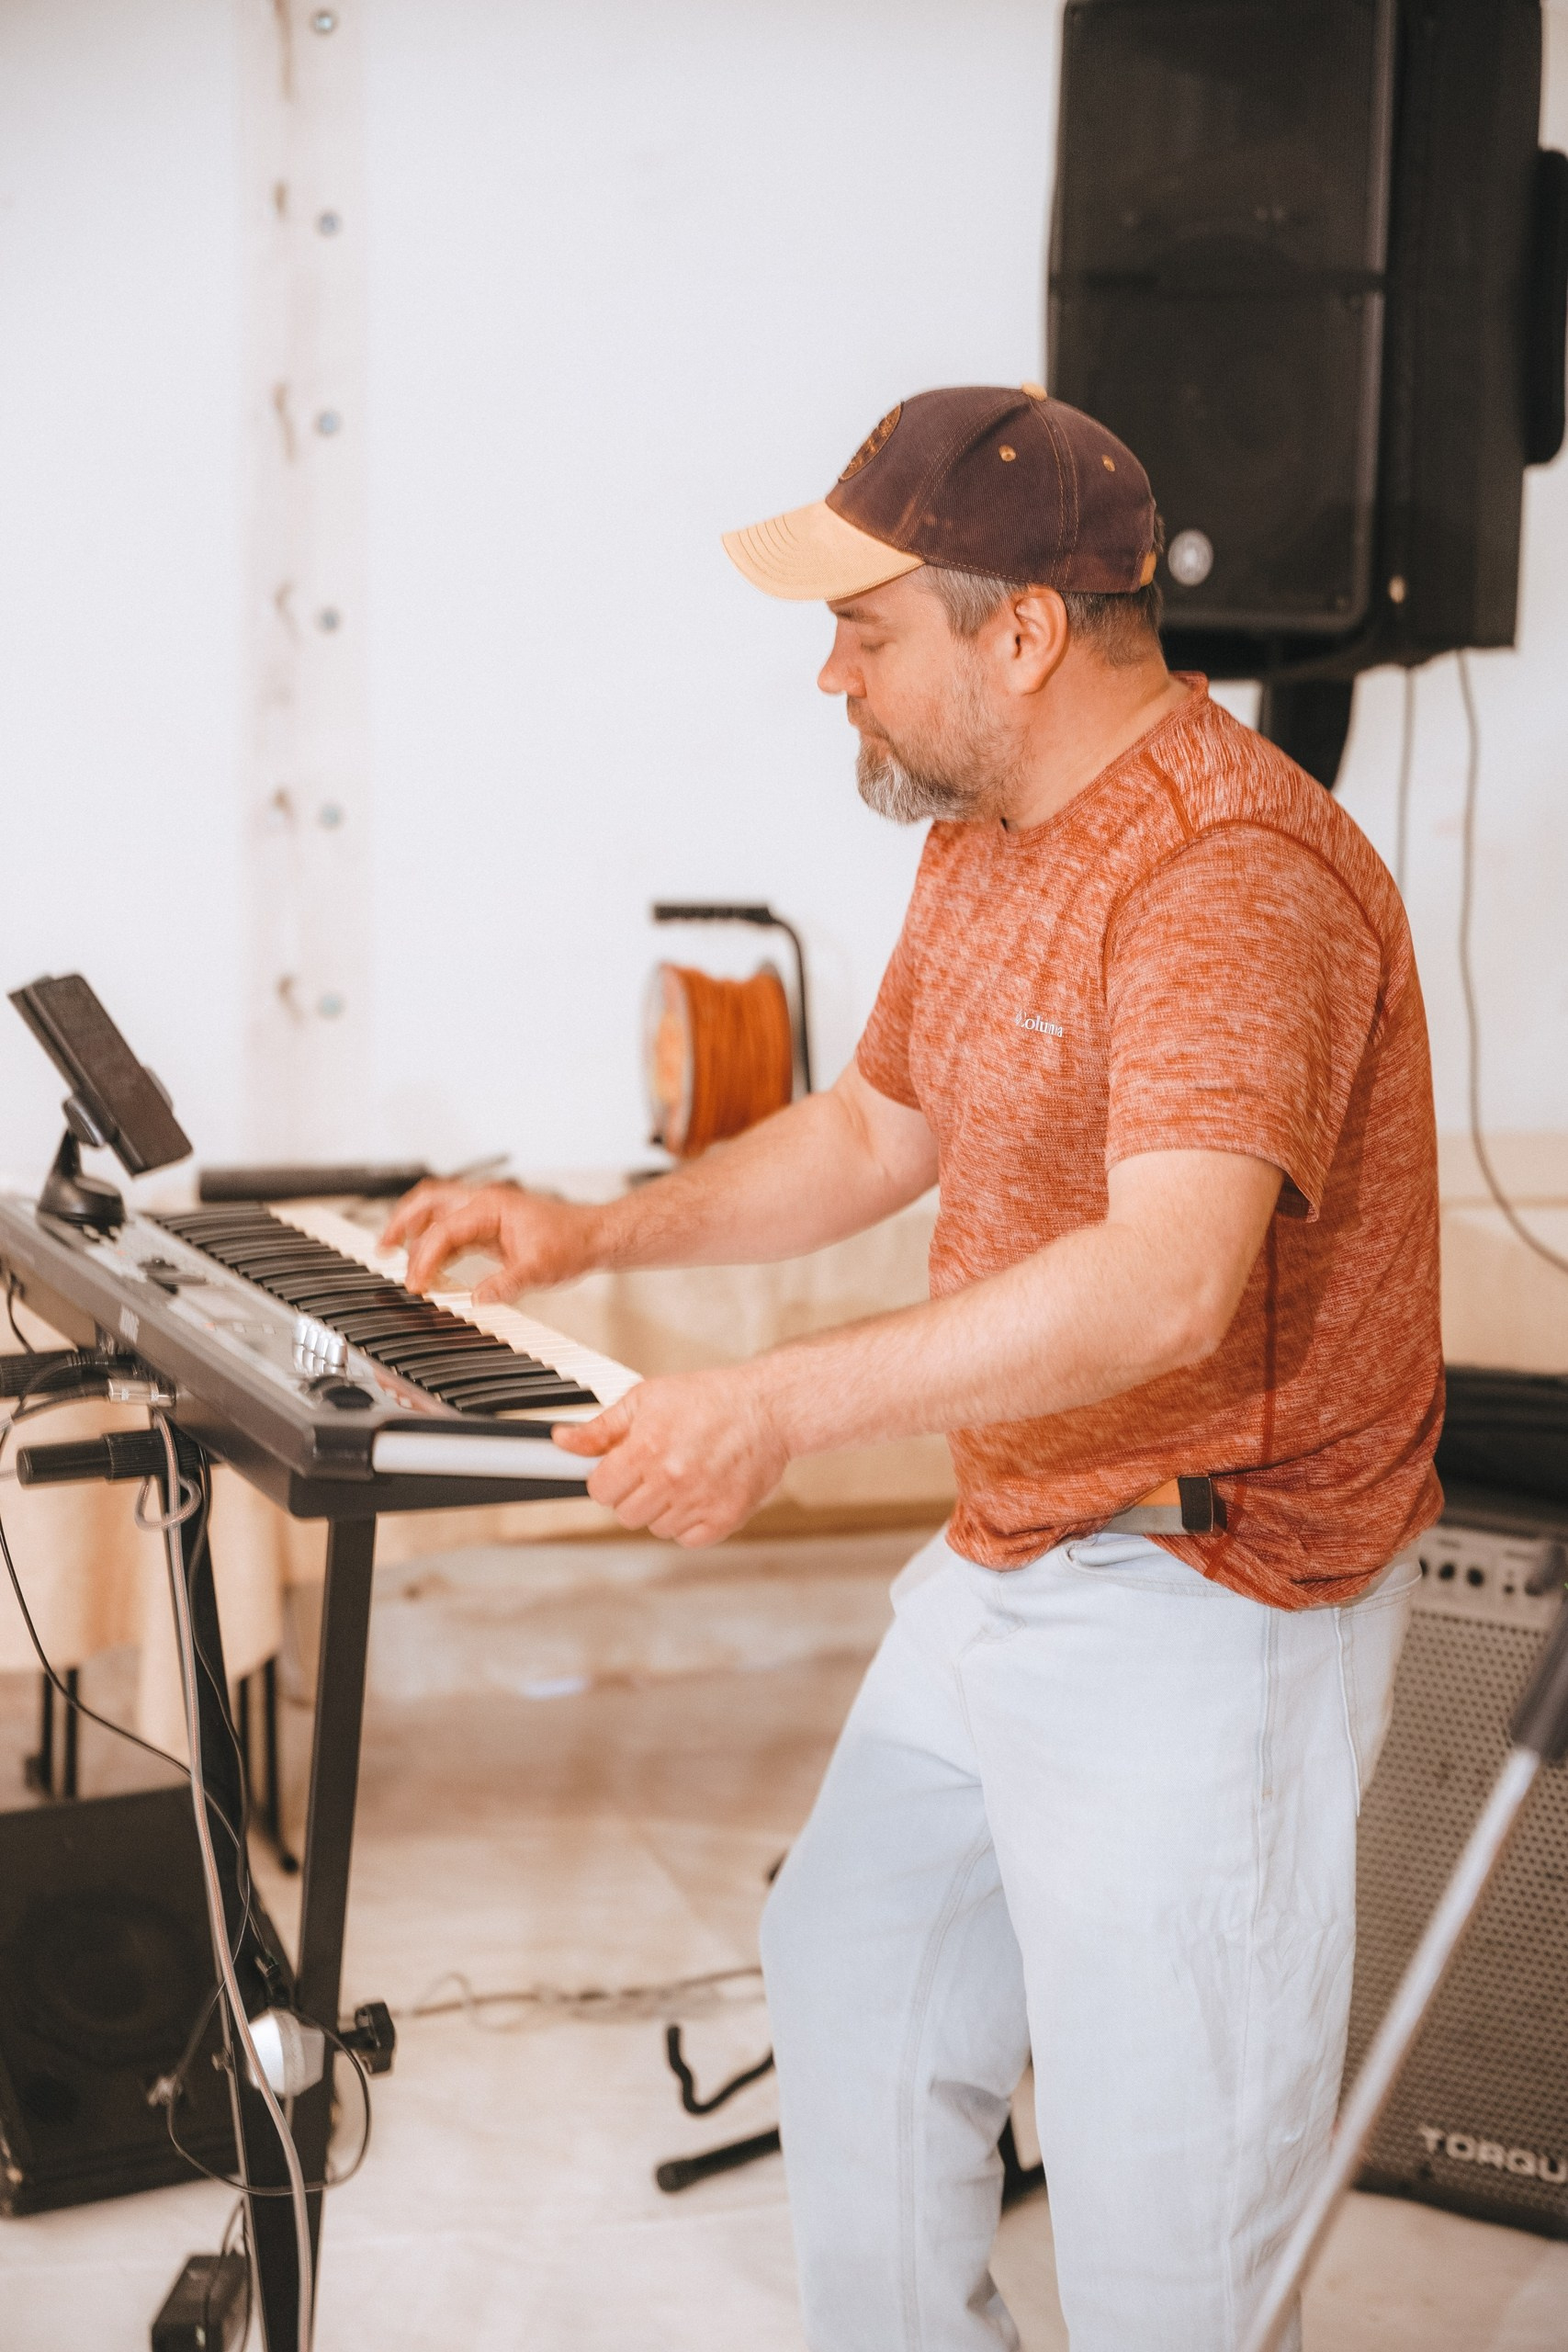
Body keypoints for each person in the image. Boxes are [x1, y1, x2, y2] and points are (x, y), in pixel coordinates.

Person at [384, 384, 1443, 2352]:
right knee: (851, 1962)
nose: (828, 675)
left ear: (1019, 632)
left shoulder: (1228, 869)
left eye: (862, 630)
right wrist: (595, 1231)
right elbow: (876, 1128)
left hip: (1210, 1593)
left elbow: (1165, 1286)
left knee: (1170, 2255)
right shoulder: (986, 837)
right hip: (1020, 1543)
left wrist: (778, 1403)